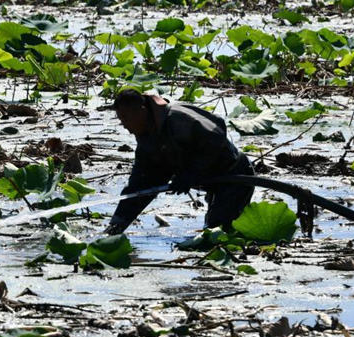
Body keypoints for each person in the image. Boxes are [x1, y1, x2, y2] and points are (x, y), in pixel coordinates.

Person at [104, 89, 254, 235]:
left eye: (125, 117)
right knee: (210, 231)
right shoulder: (147, 142)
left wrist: (190, 173)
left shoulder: (177, 118)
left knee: (218, 233)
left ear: (142, 111)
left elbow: (216, 135)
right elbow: (139, 187)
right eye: (120, 119)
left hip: (235, 176)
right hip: (213, 184)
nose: (123, 124)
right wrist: (115, 227)